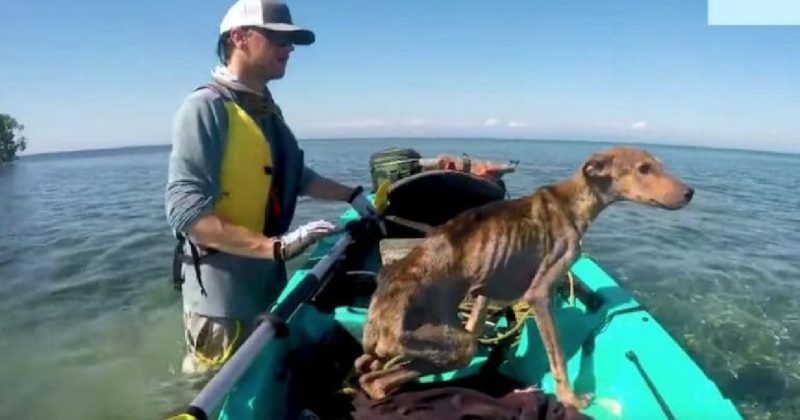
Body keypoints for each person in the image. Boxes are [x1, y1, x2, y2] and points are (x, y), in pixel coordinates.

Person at [165, 0, 377, 375]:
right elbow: (186, 212)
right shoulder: (204, 108)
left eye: (291, 41)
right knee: (214, 387)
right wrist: (275, 246)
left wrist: (352, 195)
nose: (289, 49)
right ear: (239, 38)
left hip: (267, 283)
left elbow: (296, 178)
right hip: (222, 303)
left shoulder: (265, 111)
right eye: (278, 39)